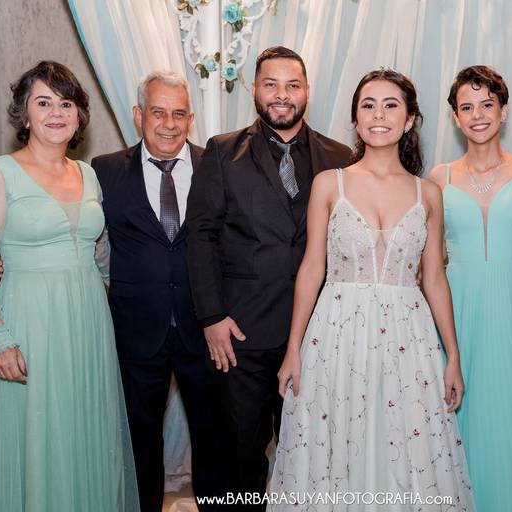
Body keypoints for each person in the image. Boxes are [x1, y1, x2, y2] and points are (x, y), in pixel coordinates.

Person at [269, 68, 475, 510]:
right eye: (368, 105)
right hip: (337, 335)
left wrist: (453, 356)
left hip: (409, 338)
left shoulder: (428, 194)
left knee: (405, 445)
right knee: (338, 443)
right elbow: (312, 268)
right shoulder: (330, 184)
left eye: (391, 105)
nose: (379, 115)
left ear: (410, 119)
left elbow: (434, 279)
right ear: (356, 119)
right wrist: (293, 349)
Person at [0, 61, 138, 511]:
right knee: (38, 437)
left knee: (84, 435)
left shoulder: (88, 175)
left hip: (88, 326)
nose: (56, 113)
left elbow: (101, 252)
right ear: (24, 114)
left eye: (66, 103)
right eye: (43, 103)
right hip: (29, 325)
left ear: (79, 115)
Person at [185, 46, 352, 508]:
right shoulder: (223, 152)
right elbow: (200, 236)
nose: (282, 95)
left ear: (307, 91)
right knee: (238, 456)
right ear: (254, 89)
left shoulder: (340, 157)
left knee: (314, 455)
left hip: (317, 334)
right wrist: (211, 317)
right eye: (271, 84)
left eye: (292, 85)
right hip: (241, 335)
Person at [427, 66, 512, 511]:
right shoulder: (439, 178)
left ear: (503, 111)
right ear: (455, 117)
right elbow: (428, 260)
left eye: (487, 104)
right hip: (460, 310)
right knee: (462, 416)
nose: (478, 115)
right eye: (467, 107)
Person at [91, 71, 222, 512]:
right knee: (139, 439)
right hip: (135, 330)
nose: (169, 124)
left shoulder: (215, 167)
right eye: (158, 112)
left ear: (191, 119)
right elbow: (78, 230)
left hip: (204, 328)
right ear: (138, 115)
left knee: (213, 437)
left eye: (179, 114)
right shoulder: (104, 170)